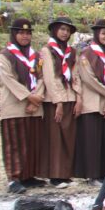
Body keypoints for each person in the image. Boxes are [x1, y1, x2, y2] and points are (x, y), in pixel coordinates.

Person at [0, 17, 46, 193]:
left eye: (27, 33)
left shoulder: (36, 56)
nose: (25, 36)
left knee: (32, 142)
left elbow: (42, 78)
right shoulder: (5, 56)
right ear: (14, 34)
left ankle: (28, 175)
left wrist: (37, 98)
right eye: (21, 33)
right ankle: (14, 178)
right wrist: (29, 97)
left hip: (34, 107)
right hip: (15, 106)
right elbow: (8, 80)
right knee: (14, 143)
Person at [75, 18, 105, 181]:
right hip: (91, 104)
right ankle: (92, 175)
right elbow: (88, 79)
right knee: (91, 141)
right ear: (97, 34)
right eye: (104, 33)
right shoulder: (87, 54)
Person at [39, 17, 79, 187]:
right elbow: (50, 77)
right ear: (54, 30)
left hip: (70, 96)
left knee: (68, 137)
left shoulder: (71, 52)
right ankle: (55, 175)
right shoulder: (47, 50)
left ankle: (65, 174)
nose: (64, 33)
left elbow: (75, 75)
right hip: (54, 100)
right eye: (62, 29)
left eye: (67, 30)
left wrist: (78, 97)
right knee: (55, 137)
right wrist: (59, 102)